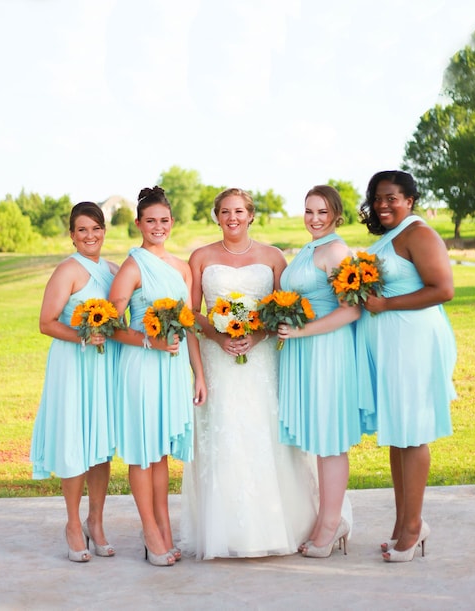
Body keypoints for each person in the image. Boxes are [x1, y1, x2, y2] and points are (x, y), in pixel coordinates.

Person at [180, 187, 318, 559]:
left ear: (251, 214)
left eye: (239, 211)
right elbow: (192, 312)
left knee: (264, 432)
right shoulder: (201, 257)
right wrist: (217, 334)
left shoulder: (272, 256)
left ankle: (278, 524)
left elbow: (286, 308)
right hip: (216, 358)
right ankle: (227, 531)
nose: (232, 218)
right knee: (226, 435)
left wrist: (255, 335)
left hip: (261, 360)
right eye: (224, 212)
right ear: (217, 216)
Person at [356, 170, 456, 563]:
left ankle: (414, 527)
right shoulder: (389, 237)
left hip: (413, 341)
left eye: (392, 197)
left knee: (412, 433)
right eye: (378, 198)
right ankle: (402, 523)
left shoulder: (419, 233)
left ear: (410, 200)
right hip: (391, 344)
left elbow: (443, 289)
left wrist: (385, 304)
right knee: (398, 433)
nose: (383, 204)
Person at [109, 186, 206, 567]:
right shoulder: (133, 266)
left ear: (172, 222)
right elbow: (112, 326)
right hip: (142, 366)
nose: (158, 227)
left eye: (164, 220)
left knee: (162, 452)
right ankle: (150, 533)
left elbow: (190, 326)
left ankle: (164, 528)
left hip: (172, 369)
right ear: (138, 224)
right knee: (142, 450)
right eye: (150, 221)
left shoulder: (182, 268)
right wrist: (149, 340)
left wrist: (198, 374)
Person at [30, 201, 119, 562]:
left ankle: (95, 521)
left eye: (95, 228)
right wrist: (83, 337)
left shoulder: (113, 270)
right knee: (74, 440)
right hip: (74, 364)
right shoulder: (67, 271)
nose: (90, 235)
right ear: (71, 235)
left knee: (101, 443)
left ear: (103, 231)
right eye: (82, 230)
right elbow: (46, 322)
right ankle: (71, 523)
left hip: (105, 366)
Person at [276, 185, 361, 558]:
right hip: (302, 351)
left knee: (330, 438)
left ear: (336, 215)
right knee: (318, 437)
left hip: (326, 349)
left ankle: (331, 523)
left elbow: (351, 309)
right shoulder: (308, 250)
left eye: (322, 212)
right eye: (309, 211)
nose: (314, 219)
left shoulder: (337, 250)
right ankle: (327, 518)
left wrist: (301, 330)